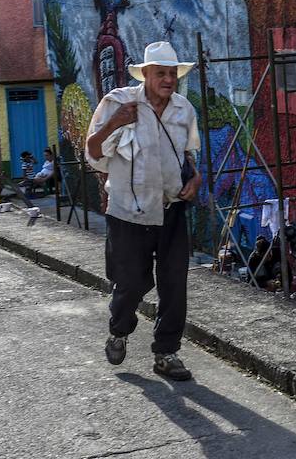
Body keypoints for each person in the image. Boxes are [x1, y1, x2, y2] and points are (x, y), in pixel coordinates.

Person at [85, 41, 202, 381]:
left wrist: (196, 178)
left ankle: (166, 353)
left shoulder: (183, 109)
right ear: (146, 74)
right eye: (161, 73)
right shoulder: (119, 102)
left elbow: (187, 155)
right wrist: (115, 123)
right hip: (128, 213)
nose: (168, 80)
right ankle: (119, 329)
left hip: (171, 209)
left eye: (173, 74)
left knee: (174, 283)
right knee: (132, 282)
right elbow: (92, 151)